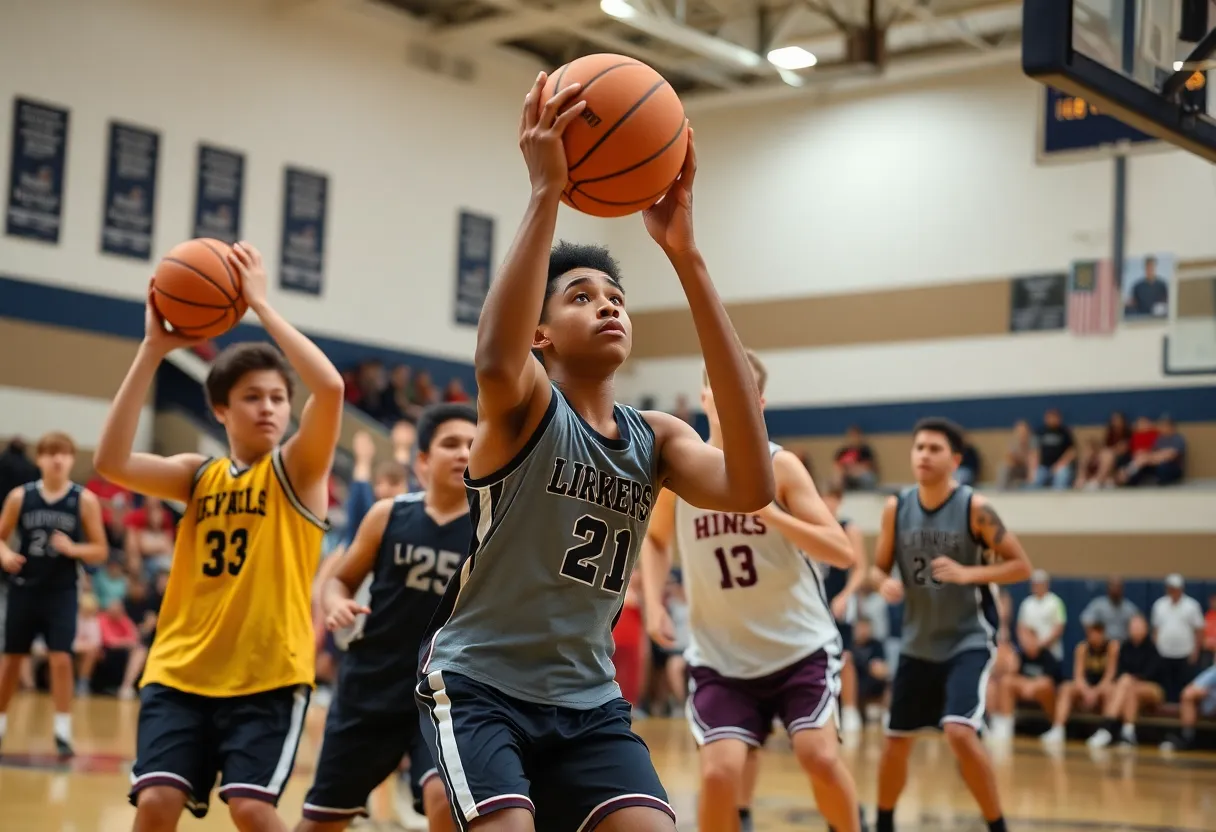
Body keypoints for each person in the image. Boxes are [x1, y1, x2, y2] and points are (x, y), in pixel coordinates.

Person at [416, 73, 774, 832]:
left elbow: (751, 483)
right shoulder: (525, 409)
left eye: (614, 297)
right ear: (540, 335)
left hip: (588, 702)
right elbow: (491, 360)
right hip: (482, 685)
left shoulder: (659, 438)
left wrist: (687, 256)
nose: (607, 304)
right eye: (580, 296)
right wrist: (546, 193)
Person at [94, 241, 345, 830]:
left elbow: (330, 389)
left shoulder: (297, 471)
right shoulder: (196, 475)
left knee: (252, 808)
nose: (269, 409)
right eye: (251, 398)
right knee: (156, 802)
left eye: (279, 398)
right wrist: (153, 349)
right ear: (220, 411)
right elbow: (110, 461)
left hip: (266, 675)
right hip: (180, 669)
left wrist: (261, 306)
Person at [642, 351, 862, 832]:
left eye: (737, 389)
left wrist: (771, 514)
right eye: (716, 388)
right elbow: (656, 541)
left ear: (757, 402)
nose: (725, 397)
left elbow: (841, 551)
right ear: (703, 396)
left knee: (819, 757)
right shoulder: (679, 472)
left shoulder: (779, 467)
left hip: (797, 648)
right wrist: (655, 600)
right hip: (722, 656)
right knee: (720, 773)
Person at [299, 404, 474, 832]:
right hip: (371, 685)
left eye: (473, 445)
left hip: (444, 693)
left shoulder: (489, 530)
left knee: (442, 797)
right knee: (322, 821)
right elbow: (337, 581)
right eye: (451, 444)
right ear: (422, 461)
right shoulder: (388, 515)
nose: (464, 454)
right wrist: (336, 602)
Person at [871, 417, 1032, 832]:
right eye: (919, 447)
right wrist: (884, 583)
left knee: (959, 733)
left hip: (968, 639)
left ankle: (997, 825)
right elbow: (876, 569)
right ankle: (884, 823)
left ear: (955, 459)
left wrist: (969, 573)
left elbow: (1020, 565)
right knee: (895, 743)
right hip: (916, 641)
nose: (924, 454)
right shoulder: (897, 507)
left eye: (934, 448)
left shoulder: (975, 508)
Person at [0, 430, 108, 756]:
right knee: (11, 660)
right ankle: (1, 723)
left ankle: (63, 730)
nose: (57, 459)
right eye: (50, 453)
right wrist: (4, 555)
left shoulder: (83, 499)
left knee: (61, 658)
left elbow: (101, 550)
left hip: (61, 592)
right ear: (40, 459)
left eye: (63, 453)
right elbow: (0, 538)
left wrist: (75, 549)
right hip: (24, 589)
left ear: (72, 459)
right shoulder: (21, 497)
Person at [1087, 614, 1163, 748]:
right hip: (1128, 688)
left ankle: (1107, 727)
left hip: (1153, 688)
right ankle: (1128, 733)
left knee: (1126, 683)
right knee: (1124, 688)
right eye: (1133, 626)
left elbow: (1151, 674)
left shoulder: (1153, 648)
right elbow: (1119, 671)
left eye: (1139, 626)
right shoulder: (1125, 647)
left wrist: (1130, 680)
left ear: (1146, 628)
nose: (1136, 629)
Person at [1040, 621, 1119, 746]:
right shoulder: (1082, 648)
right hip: (1086, 688)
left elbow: (1110, 675)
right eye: (1092, 633)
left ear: (1103, 634)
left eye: (1098, 633)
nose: (1095, 636)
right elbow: (1078, 676)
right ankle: (1058, 729)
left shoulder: (1112, 646)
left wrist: (1095, 692)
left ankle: (1105, 731)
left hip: (1103, 687)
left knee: (1112, 690)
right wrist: (1087, 691)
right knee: (1066, 687)